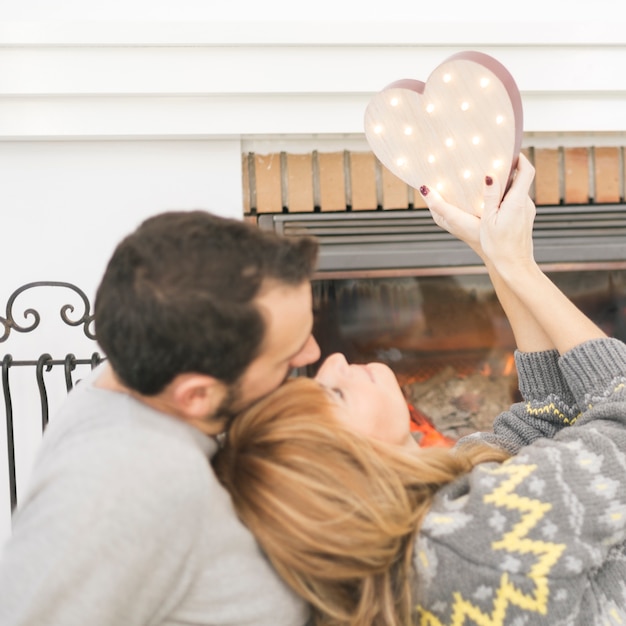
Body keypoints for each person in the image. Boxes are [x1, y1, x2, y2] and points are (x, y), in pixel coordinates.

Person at [214, 155, 626, 626]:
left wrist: (500, 256)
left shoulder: (430, 525)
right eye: (334, 394)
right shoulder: (471, 543)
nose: (331, 361)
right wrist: (519, 267)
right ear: (353, 470)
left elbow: (544, 422)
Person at [0, 210, 322, 625]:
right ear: (196, 396)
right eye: (287, 354)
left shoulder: (126, 387)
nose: (311, 354)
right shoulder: (129, 481)